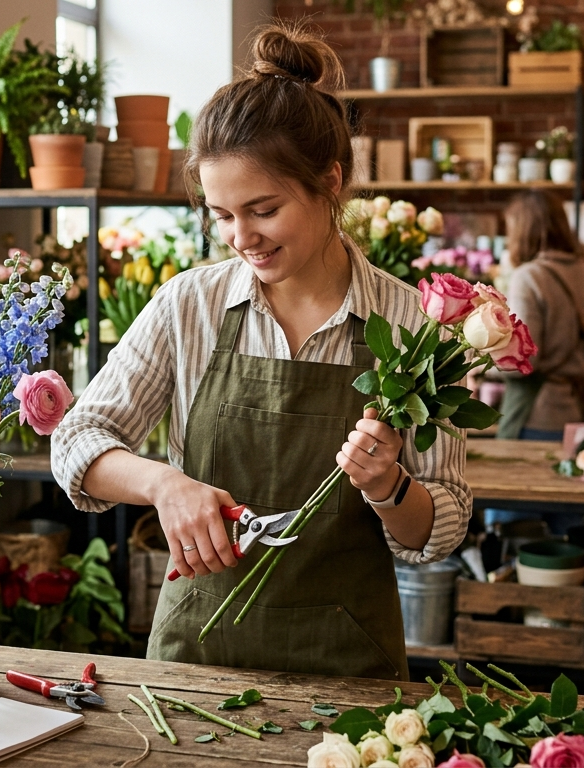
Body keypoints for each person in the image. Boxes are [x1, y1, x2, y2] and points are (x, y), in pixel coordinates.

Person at [50, 23, 470, 681]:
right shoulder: (188, 305)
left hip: (350, 669)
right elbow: (76, 442)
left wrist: (389, 485)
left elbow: (439, 533)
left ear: (329, 182)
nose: (241, 236)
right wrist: (164, 484)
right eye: (221, 214)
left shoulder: (410, 322)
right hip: (197, 663)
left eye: (263, 209)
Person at [496, 191, 584, 441]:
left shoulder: (528, 277)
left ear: (523, 231)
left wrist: (479, 358)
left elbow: (522, 362)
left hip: (537, 414)